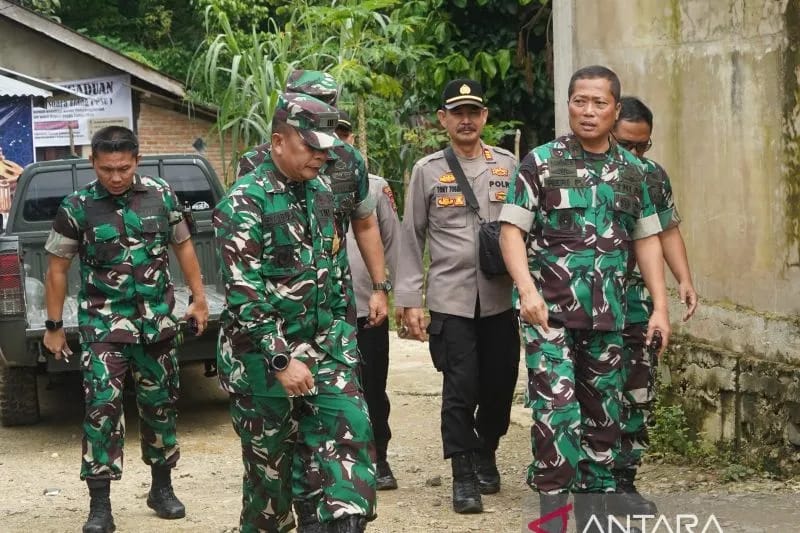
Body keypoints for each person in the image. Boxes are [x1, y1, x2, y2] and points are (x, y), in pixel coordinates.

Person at [498, 65, 671, 532]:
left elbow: (648, 238)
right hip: (548, 318)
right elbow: (512, 230)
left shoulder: (635, 172)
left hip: (610, 321)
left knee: (603, 426)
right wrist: (528, 291)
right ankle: (552, 523)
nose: (588, 111)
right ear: (569, 104)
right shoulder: (540, 161)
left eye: (599, 103)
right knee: (556, 421)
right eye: (580, 101)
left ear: (615, 109)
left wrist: (659, 306)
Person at [214, 93, 376, 533]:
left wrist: (342, 337)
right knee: (273, 488)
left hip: (326, 350)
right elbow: (245, 298)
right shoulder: (242, 204)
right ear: (278, 141)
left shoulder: (323, 191)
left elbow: (335, 270)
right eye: (311, 147)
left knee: (350, 447)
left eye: (326, 148)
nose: (322, 157)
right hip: (264, 362)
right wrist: (282, 360)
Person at [42, 126, 210, 533]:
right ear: (93, 164)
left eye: (122, 168)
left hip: (157, 326)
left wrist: (199, 297)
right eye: (105, 169)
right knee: (101, 410)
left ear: (137, 160)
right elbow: (57, 268)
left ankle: (162, 488)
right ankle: (100, 505)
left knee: (161, 407)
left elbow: (183, 245)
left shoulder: (161, 194)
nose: (115, 177)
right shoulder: (77, 206)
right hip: (104, 326)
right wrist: (53, 326)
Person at [395, 79, 520, 514]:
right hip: (451, 300)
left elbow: (525, 229)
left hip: (500, 299)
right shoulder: (426, 170)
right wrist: (409, 299)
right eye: (457, 113)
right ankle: (463, 474)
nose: (466, 120)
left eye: (474, 112)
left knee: (501, 386)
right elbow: (410, 237)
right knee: (460, 389)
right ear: (443, 119)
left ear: (484, 117)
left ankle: (487, 449)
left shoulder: (508, 165)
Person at [237, 70, 390, 328]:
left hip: (331, 299)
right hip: (275, 301)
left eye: (324, 106)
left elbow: (365, 222)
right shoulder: (256, 163)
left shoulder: (349, 161)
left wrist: (379, 287)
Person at [609, 96, 698, 515]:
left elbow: (667, 229)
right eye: (627, 144)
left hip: (636, 302)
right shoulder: (577, 168)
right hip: (585, 303)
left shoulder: (651, 176)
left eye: (643, 146)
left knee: (637, 388)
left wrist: (684, 279)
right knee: (587, 392)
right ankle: (586, 478)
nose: (636, 155)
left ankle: (624, 480)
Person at [336, 111, 401, 490]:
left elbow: (393, 242)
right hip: (325, 311)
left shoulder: (373, 187)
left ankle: (380, 457)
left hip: (365, 309)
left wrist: (384, 290)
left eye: (345, 133)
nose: (339, 141)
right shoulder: (304, 181)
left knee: (372, 385)